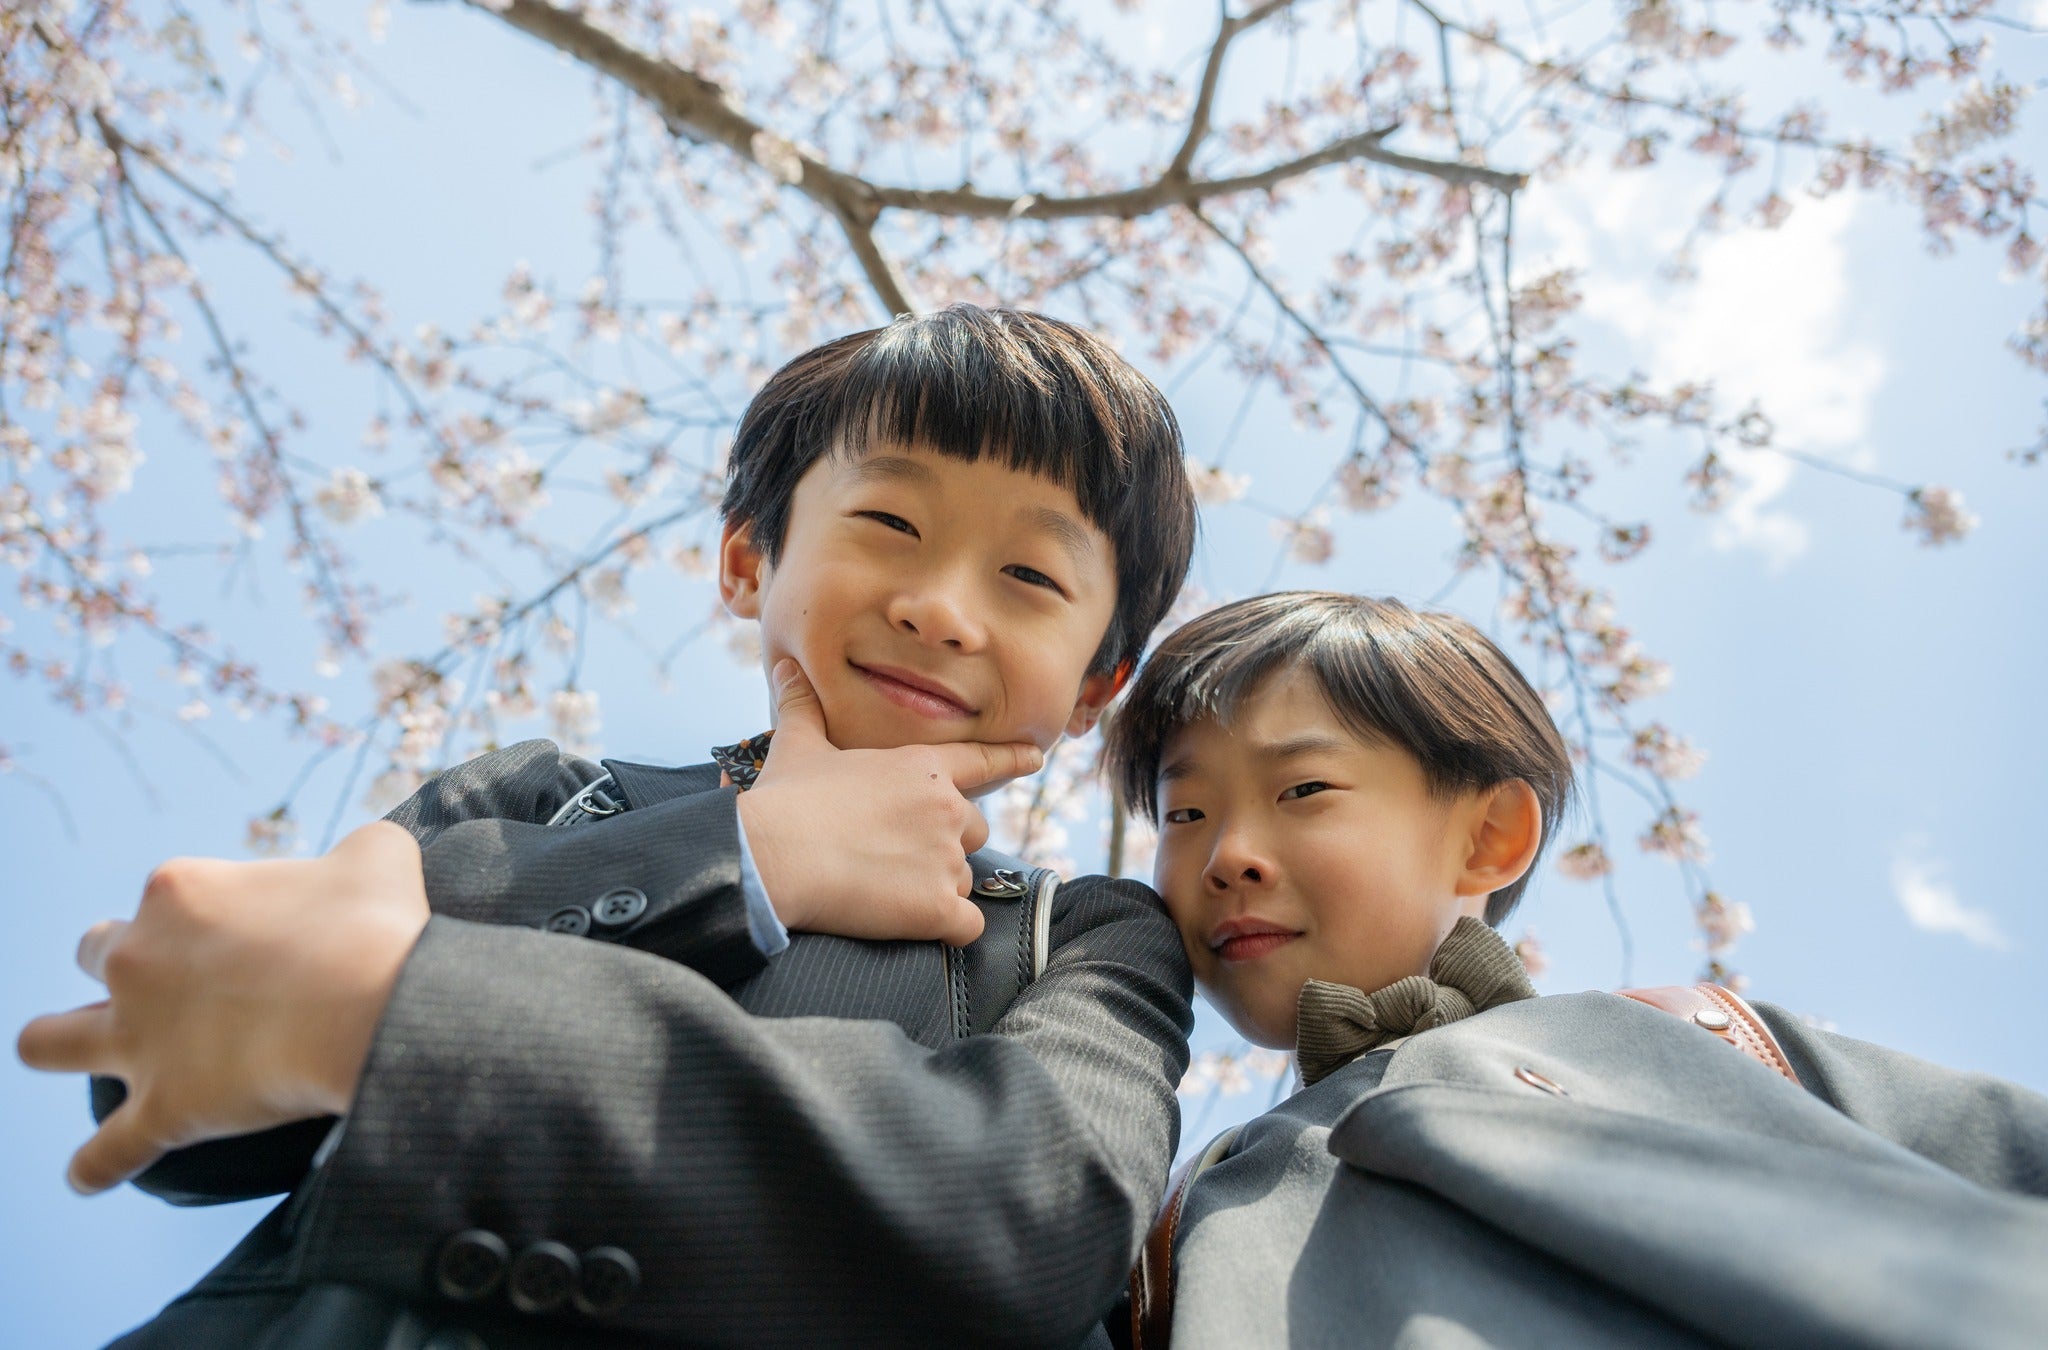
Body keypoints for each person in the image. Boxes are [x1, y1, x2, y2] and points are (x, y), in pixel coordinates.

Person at [18, 305, 1201, 1349]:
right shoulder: (545, 793)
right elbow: (169, 1096)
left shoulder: (1083, 936)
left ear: (1098, 683)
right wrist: (748, 859)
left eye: (1031, 579)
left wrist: (407, 1019)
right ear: (747, 558)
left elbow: (1026, 1224)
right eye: (889, 520)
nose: (939, 606)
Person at [1099, 590, 2048, 1350]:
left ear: (1488, 836)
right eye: (1185, 816)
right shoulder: (1165, 1239)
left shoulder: (1705, 1037)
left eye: (1304, 789)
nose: (1227, 853)